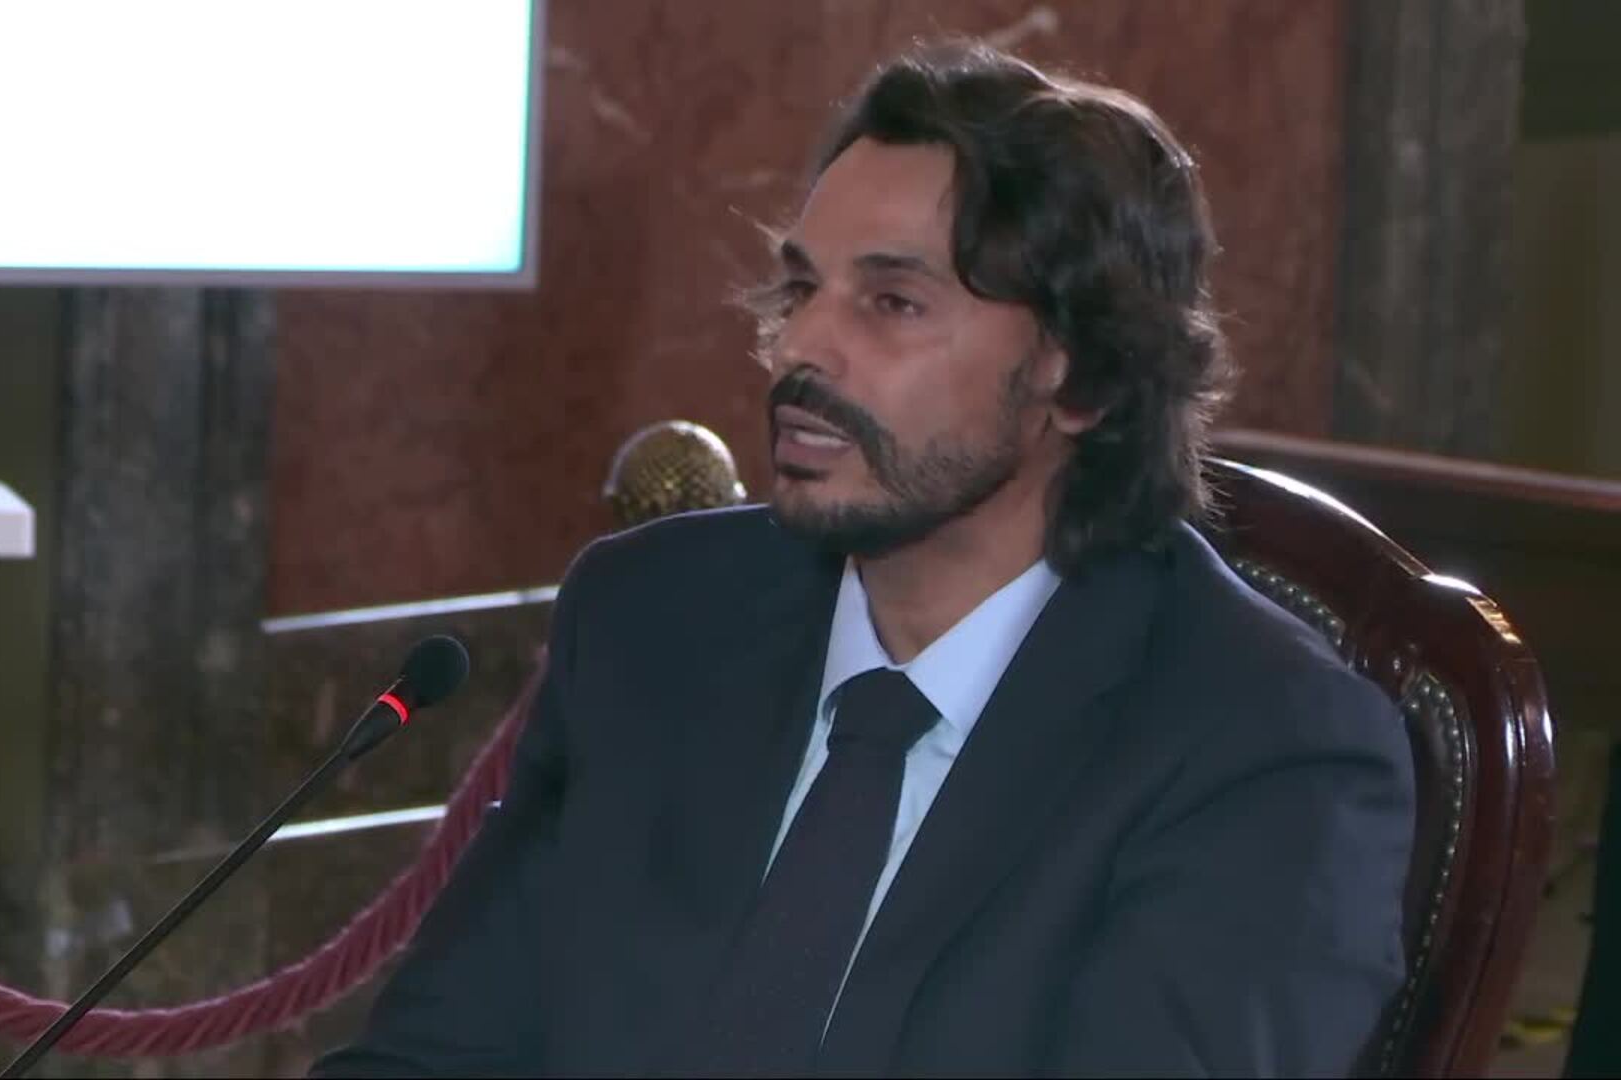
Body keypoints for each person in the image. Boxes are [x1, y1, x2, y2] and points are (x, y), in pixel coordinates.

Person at [312, 39, 1413, 1078]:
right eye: (801, 289)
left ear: (1085, 380)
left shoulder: (1265, 747)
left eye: (892, 302)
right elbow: (432, 1055)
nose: (799, 346)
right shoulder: (654, 620)